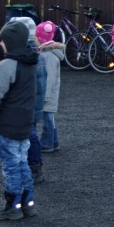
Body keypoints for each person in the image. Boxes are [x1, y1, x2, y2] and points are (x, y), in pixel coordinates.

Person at [0, 21, 39, 221]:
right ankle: (28, 204)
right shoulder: (31, 63)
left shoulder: (6, 66)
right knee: (22, 163)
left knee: (11, 166)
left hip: (7, 125)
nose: (1, 44)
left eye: (3, 40)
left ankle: (13, 206)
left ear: (10, 42)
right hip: (25, 123)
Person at [12, 17, 48, 183]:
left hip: (27, 104)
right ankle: (34, 167)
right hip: (34, 103)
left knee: (29, 136)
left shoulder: (25, 57)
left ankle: (34, 168)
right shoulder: (38, 56)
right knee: (30, 134)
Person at [36, 20, 65, 153]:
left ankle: (47, 144)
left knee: (47, 118)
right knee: (49, 118)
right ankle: (54, 141)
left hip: (48, 94)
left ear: (41, 39)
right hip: (48, 94)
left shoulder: (49, 56)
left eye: (35, 37)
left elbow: (50, 79)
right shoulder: (47, 53)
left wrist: (45, 96)